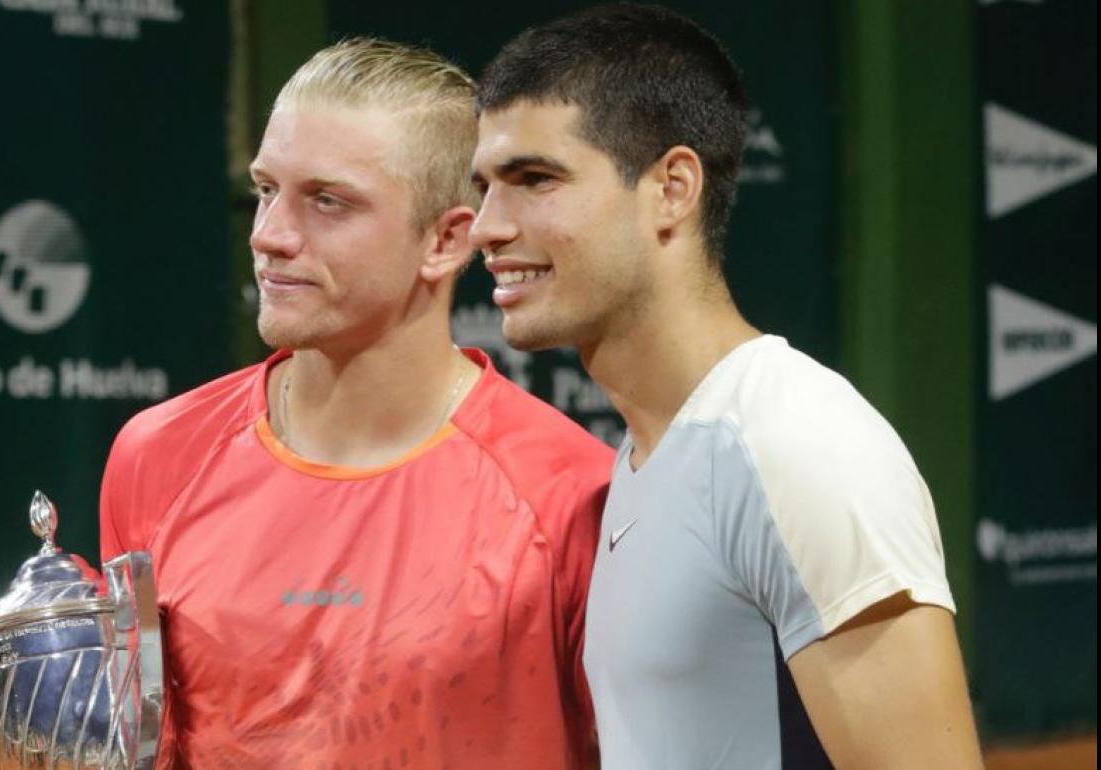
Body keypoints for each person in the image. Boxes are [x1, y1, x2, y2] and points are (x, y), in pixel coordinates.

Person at [470, 5, 985, 769]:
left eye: (534, 179)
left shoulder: (795, 441)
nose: (486, 226)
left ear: (673, 188)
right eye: (483, 186)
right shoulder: (649, 453)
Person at [100, 38, 613, 769]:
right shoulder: (157, 455)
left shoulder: (569, 496)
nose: (270, 235)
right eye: (266, 189)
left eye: (327, 201)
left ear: (445, 239)